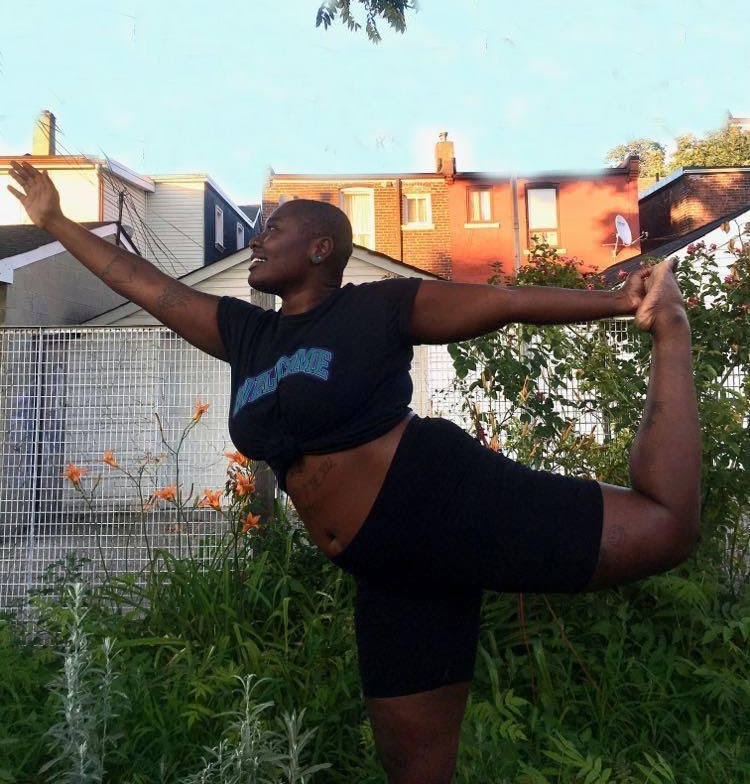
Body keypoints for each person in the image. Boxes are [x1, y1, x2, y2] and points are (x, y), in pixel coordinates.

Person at [8, 162, 701, 784]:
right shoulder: (249, 335)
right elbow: (147, 285)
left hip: (440, 499)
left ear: (320, 248)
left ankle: (675, 332)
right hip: (390, 568)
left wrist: (621, 302)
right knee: (414, 768)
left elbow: (502, 302)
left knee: (666, 528)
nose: (254, 240)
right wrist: (56, 221)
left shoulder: (373, 309)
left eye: (271, 229)